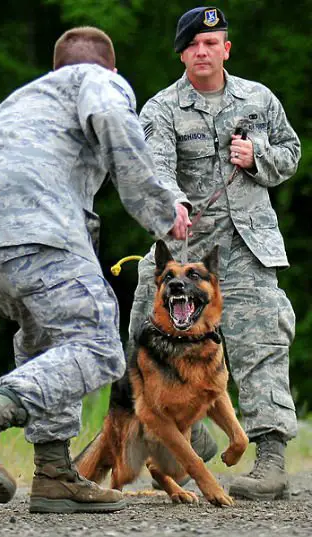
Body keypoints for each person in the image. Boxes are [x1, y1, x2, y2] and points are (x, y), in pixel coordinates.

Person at [0, 27, 188, 514]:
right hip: (28, 217)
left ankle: (55, 473)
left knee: (53, 336)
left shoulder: (22, 102)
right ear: (113, 70)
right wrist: (164, 211)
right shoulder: (98, 80)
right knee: (97, 342)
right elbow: (111, 115)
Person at [128, 6, 300, 501]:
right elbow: (153, 164)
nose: (202, 52)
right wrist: (173, 199)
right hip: (186, 244)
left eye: (212, 43)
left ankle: (270, 459)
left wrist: (258, 158)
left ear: (226, 49)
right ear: (182, 53)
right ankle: (191, 439)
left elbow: (291, 152)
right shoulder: (162, 108)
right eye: (193, 45)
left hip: (246, 246)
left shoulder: (258, 99)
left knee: (263, 338)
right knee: (143, 327)